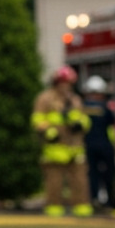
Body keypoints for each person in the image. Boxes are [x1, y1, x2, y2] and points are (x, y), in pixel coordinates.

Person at [32, 65, 92, 217]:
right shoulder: (45, 98)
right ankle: (54, 207)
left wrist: (80, 124)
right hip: (55, 148)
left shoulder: (74, 99)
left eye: (69, 83)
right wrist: (49, 131)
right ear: (56, 83)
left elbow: (83, 118)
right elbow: (37, 118)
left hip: (75, 147)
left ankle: (81, 207)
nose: (66, 86)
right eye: (63, 83)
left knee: (79, 180)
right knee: (54, 181)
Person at [81, 75, 115, 209]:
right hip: (105, 145)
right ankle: (108, 202)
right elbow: (113, 122)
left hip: (90, 145)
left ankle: (95, 200)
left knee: (93, 174)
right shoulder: (106, 107)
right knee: (107, 174)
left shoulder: (83, 107)